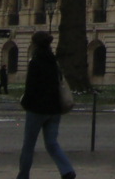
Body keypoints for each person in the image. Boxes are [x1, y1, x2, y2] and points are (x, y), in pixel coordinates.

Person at [17, 30, 76, 179]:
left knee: (28, 145)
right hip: (54, 109)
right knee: (52, 143)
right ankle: (67, 170)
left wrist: (25, 103)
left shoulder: (35, 62)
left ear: (35, 44)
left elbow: (30, 88)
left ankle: (23, 175)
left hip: (37, 109)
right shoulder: (54, 62)